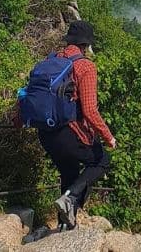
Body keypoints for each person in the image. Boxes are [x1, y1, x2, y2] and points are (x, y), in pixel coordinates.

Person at [37, 20, 117, 230]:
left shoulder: (51, 60)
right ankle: (70, 199)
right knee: (101, 160)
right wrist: (108, 136)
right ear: (86, 45)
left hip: (46, 133)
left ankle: (65, 226)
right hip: (69, 133)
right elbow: (90, 110)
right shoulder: (85, 66)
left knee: (69, 173)